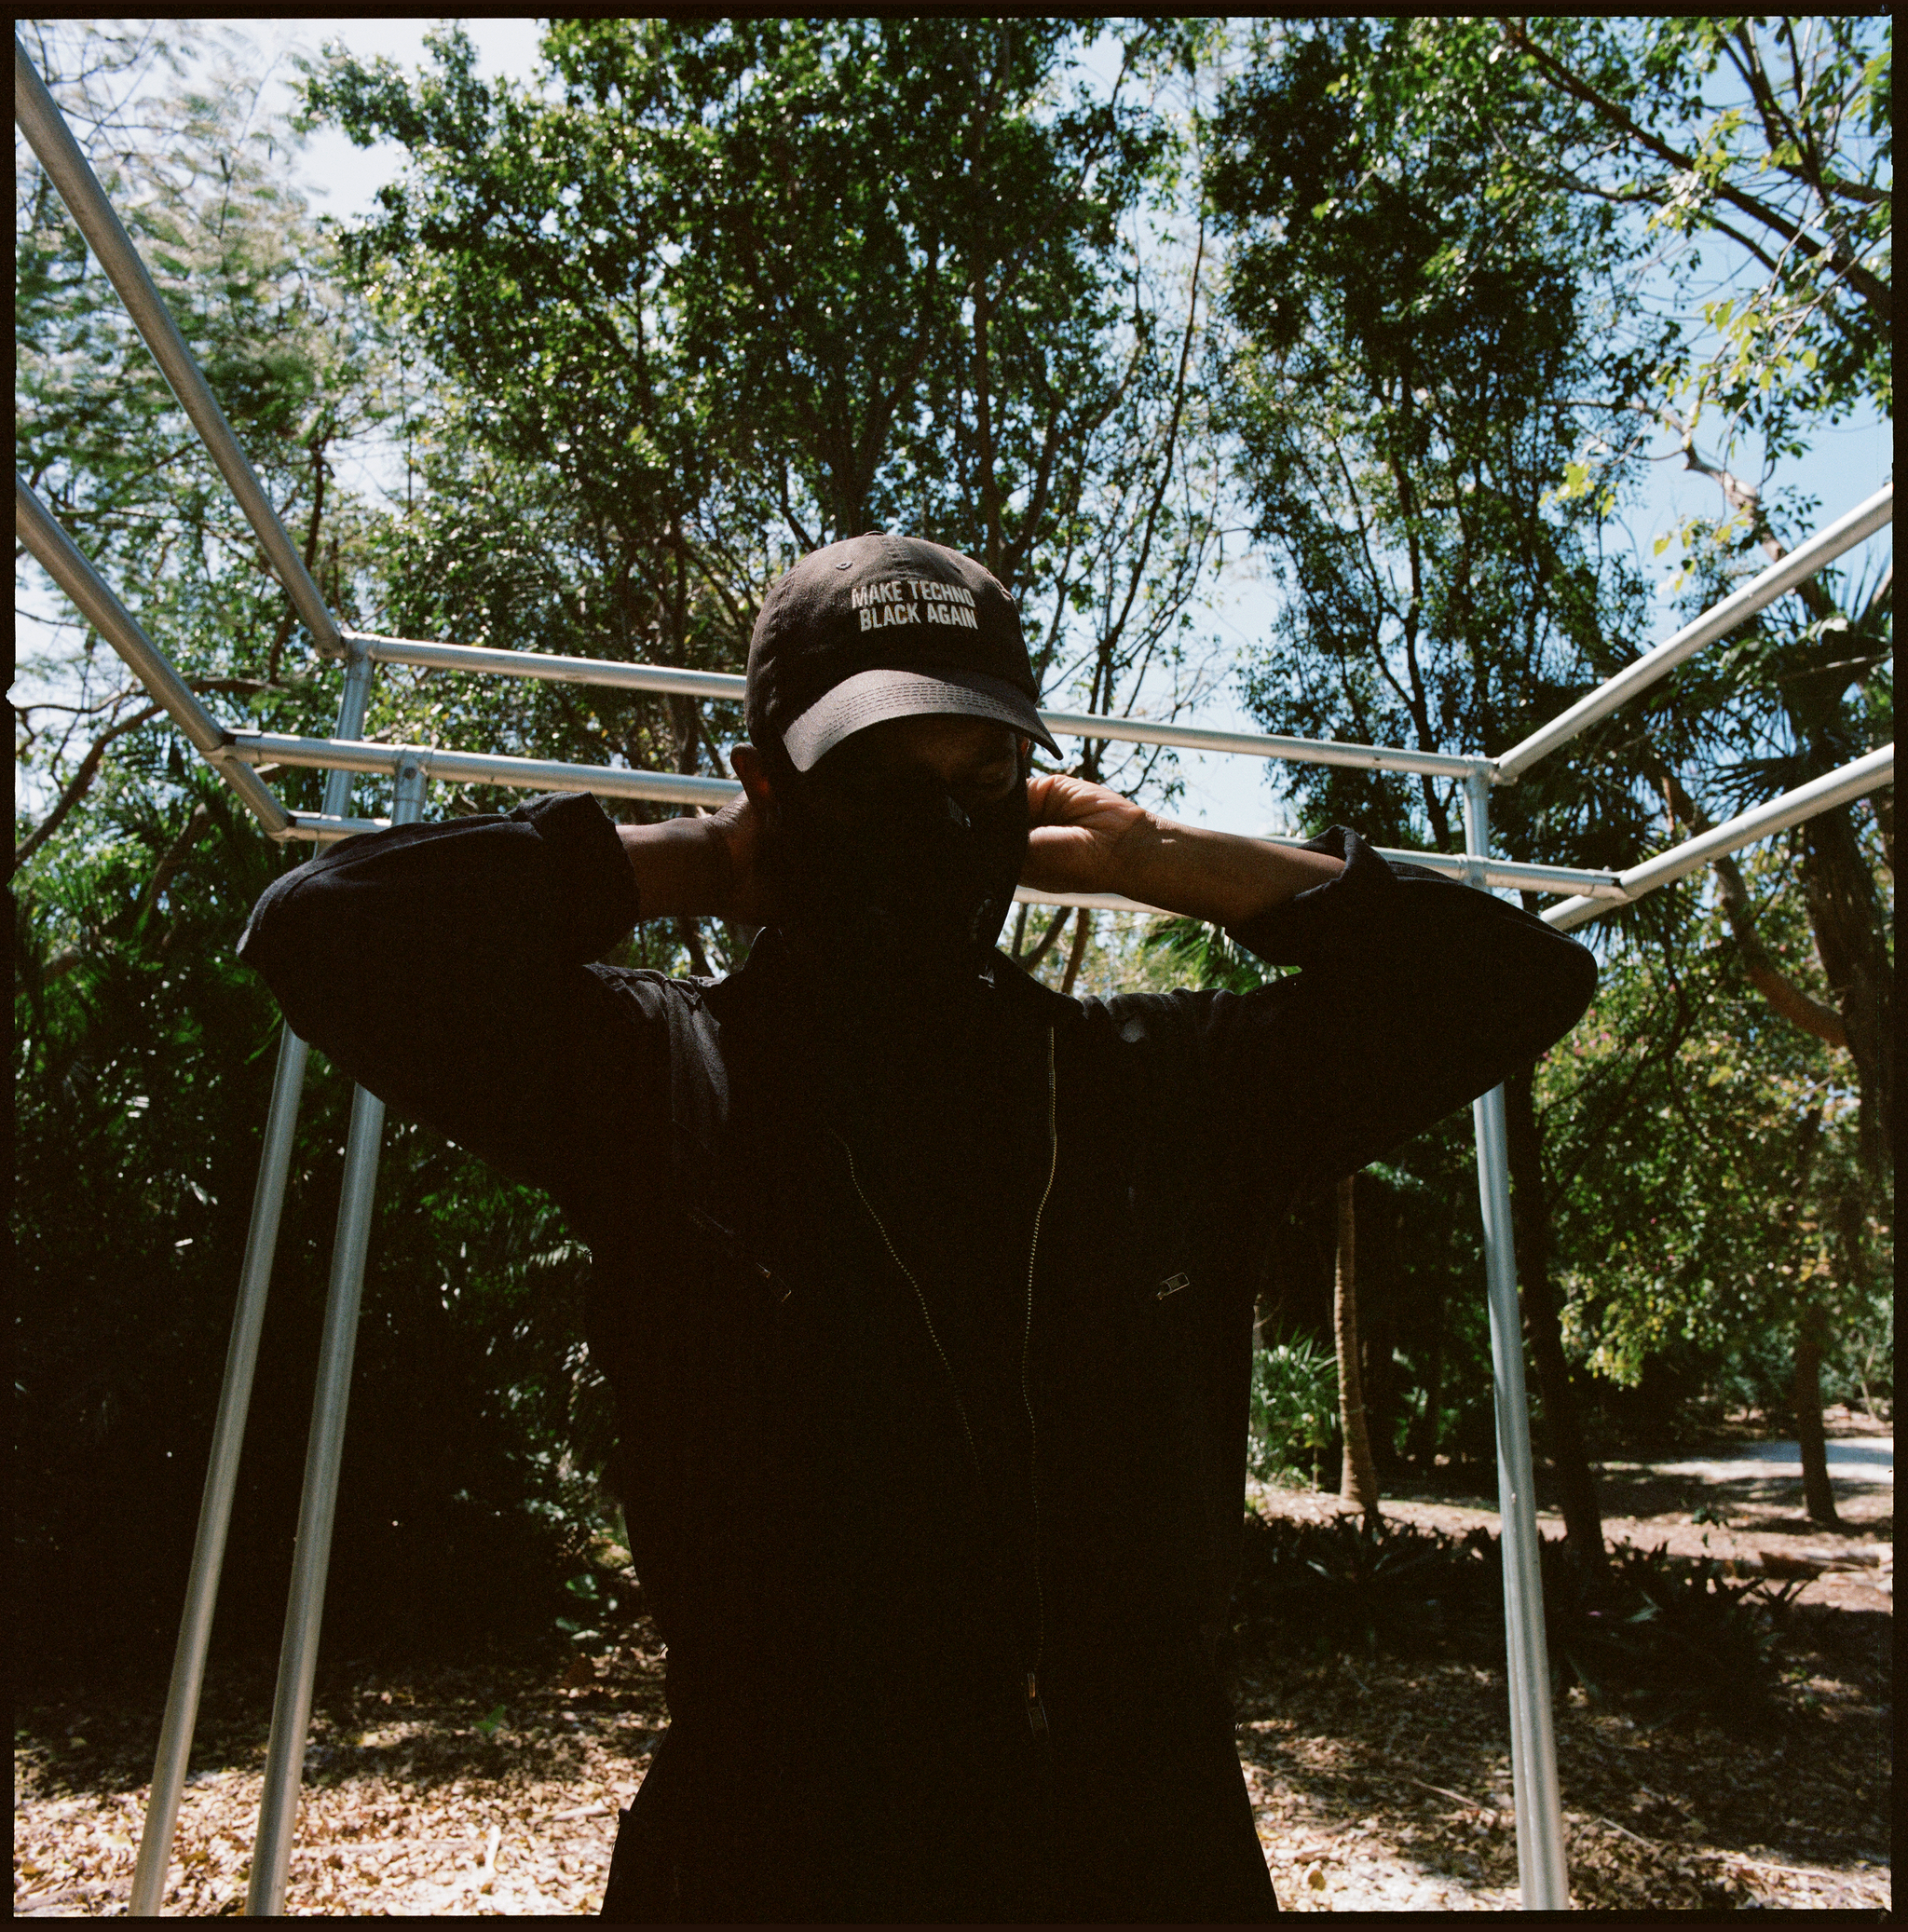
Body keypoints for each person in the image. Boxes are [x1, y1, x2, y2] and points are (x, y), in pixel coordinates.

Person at [238, 531, 1596, 1923]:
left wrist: (1163, 858)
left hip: (1142, 1856)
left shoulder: (1154, 1089)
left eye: (983, 774)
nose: (941, 825)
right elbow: (324, 932)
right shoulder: (668, 1083)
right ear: (771, 786)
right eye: (880, 779)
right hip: (778, 1856)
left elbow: (1513, 979)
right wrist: (694, 863)